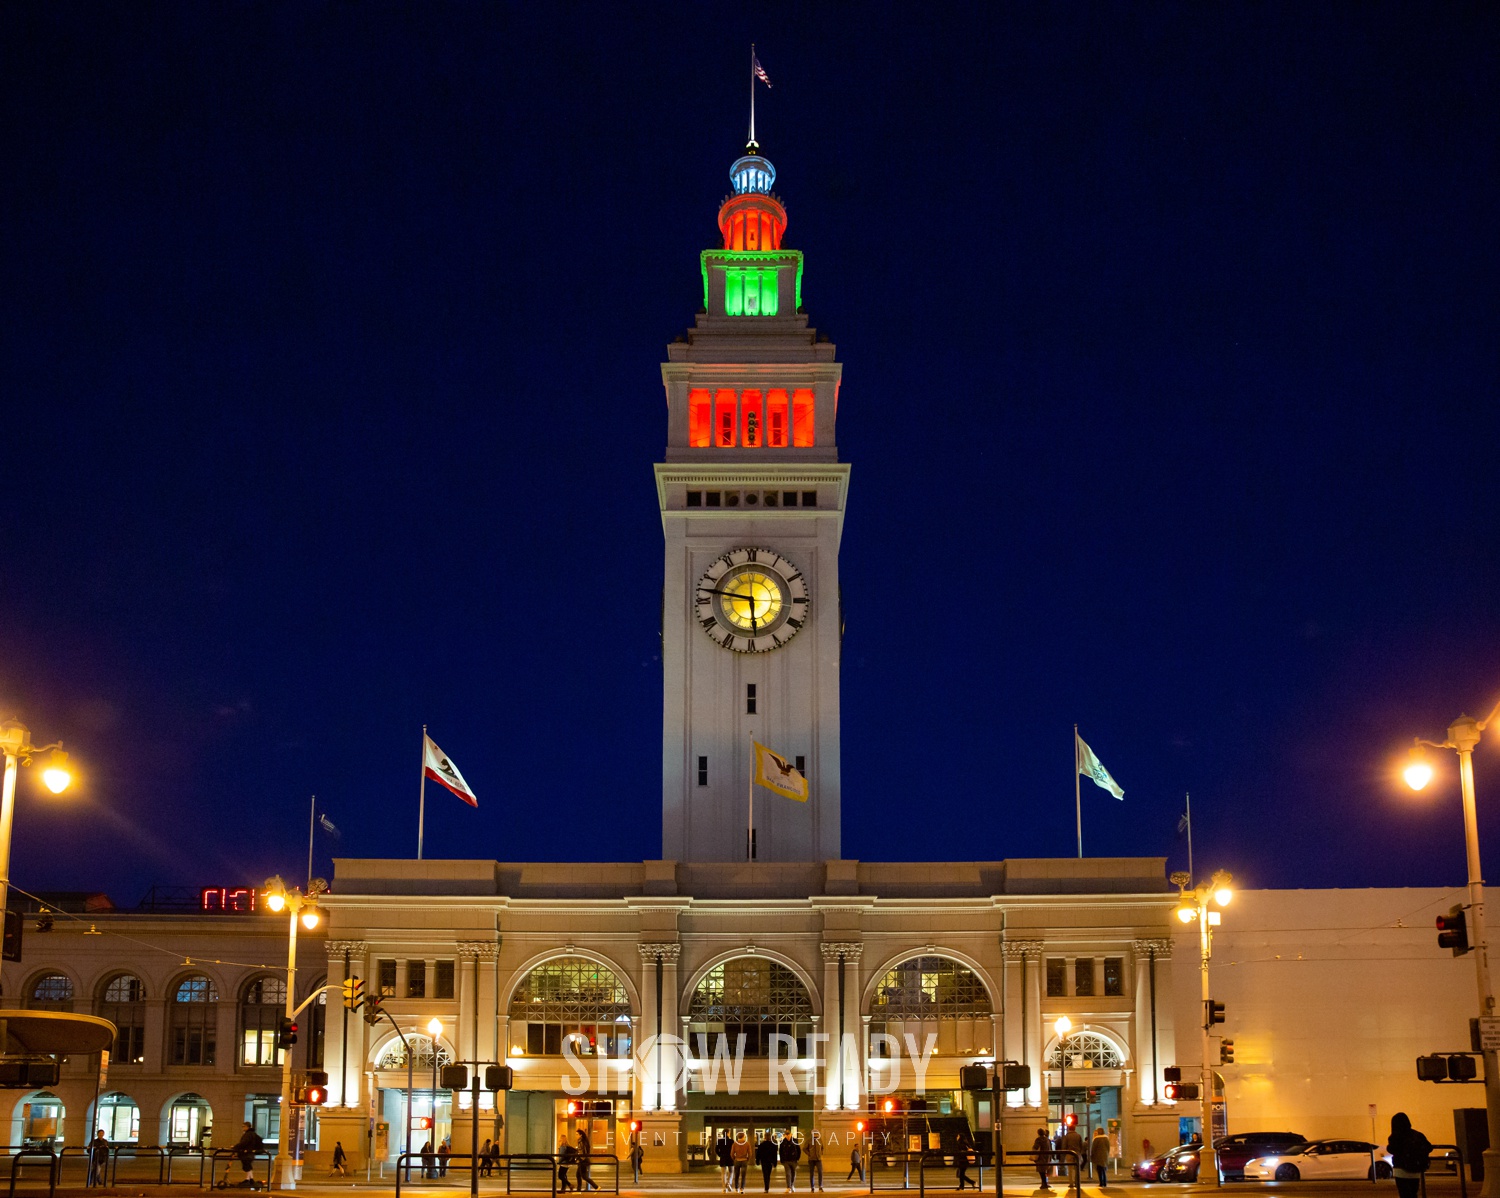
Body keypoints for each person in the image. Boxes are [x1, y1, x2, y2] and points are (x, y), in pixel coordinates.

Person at [1388, 1112, 1433, 1198]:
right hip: (1416, 1169)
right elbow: (1429, 1147)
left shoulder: (1395, 1136)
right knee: (1413, 1193)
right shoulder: (1417, 1135)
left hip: (1401, 1170)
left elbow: (1393, 1149)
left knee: (1404, 1194)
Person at [234, 1122, 265, 1187]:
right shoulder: (253, 1134)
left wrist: (236, 1147)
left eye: (243, 1126)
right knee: (248, 1166)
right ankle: (250, 1179)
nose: (243, 1128)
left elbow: (244, 1143)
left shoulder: (248, 1134)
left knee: (247, 1166)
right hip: (250, 1153)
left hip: (246, 1153)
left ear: (247, 1127)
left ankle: (248, 1180)